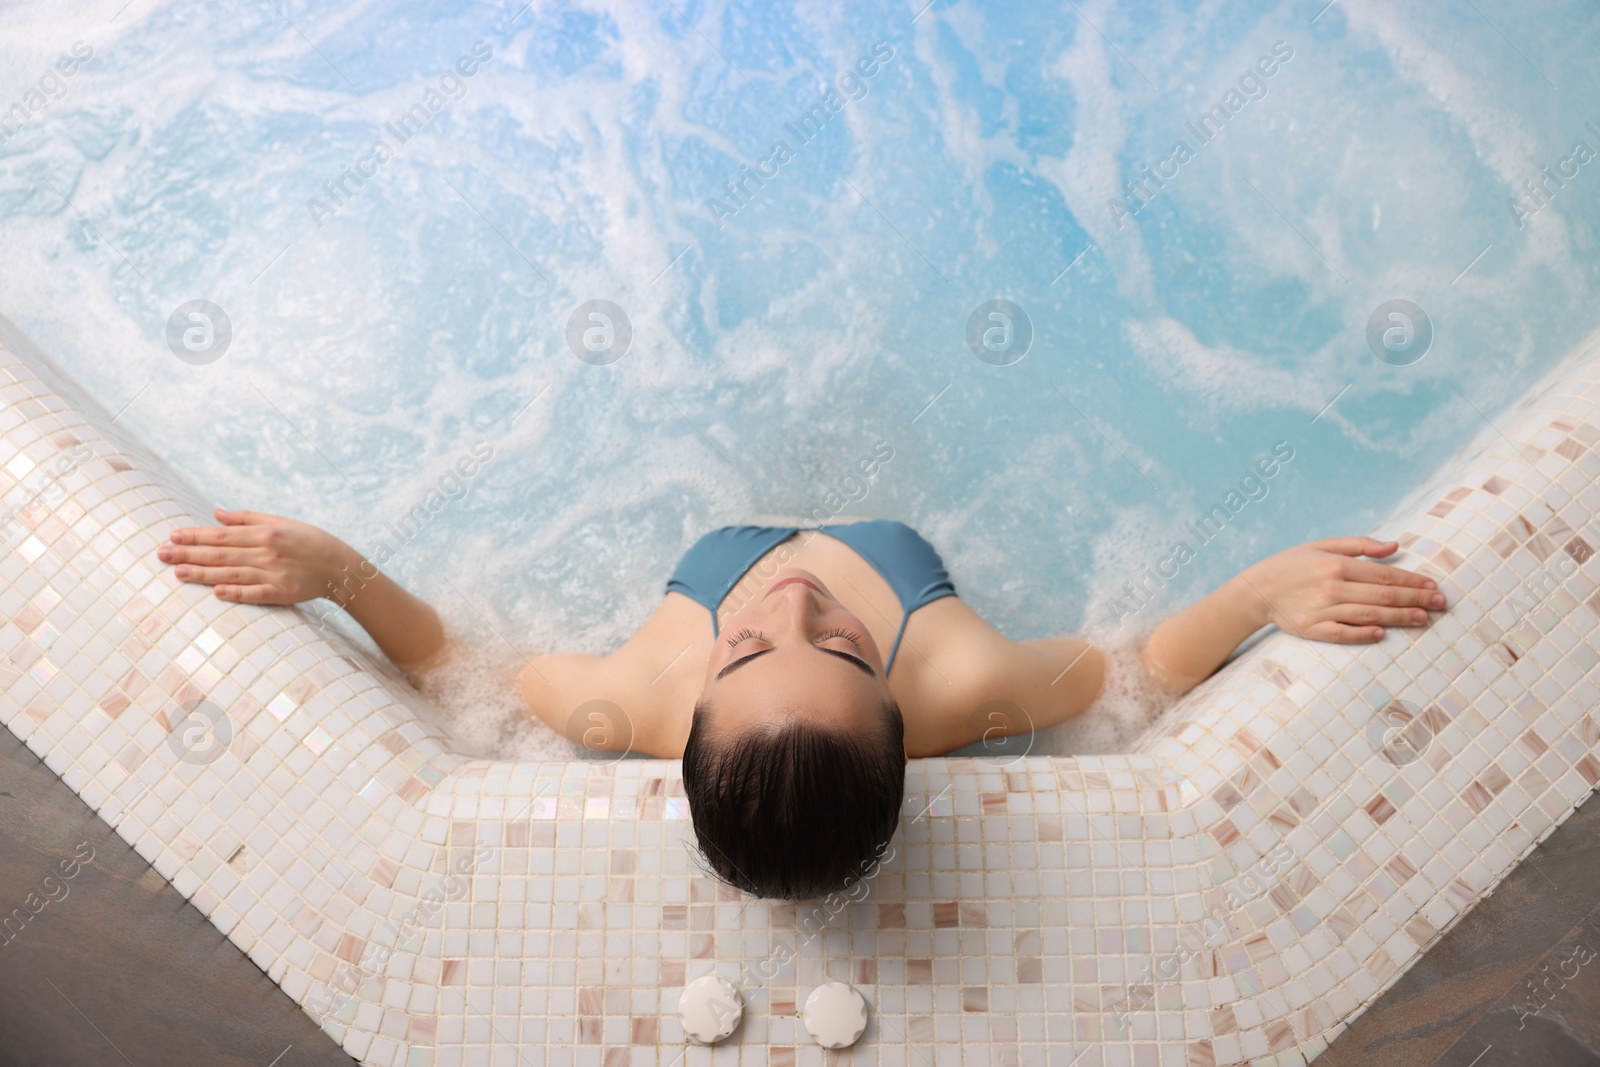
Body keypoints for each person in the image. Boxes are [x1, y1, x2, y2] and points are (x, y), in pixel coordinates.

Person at [156, 509, 1446, 900]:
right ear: (898, 717)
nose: (782, 598)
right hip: (906, 544)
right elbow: (1148, 669)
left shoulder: (631, 699)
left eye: (755, 651)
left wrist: (334, 574)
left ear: (692, 722)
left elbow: (458, 666)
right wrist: (1260, 590)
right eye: (831, 646)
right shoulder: (967, 687)